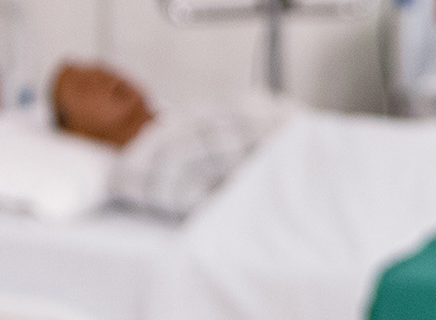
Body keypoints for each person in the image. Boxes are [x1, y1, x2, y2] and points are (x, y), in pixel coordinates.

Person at [52, 61, 293, 219]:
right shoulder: (142, 170)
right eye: (87, 86)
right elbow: (237, 215)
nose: (107, 80)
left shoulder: (186, 113)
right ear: (77, 130)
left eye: (105, 72)